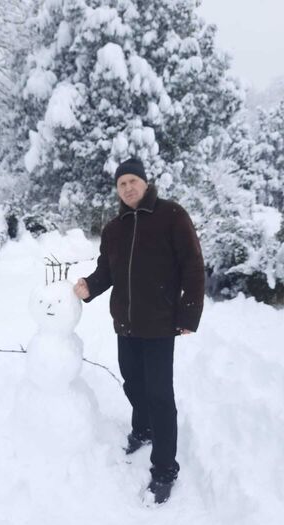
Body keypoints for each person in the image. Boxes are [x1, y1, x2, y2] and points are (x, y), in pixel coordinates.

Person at [74, 157, 204, 504]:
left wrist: (189, 314)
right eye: (122, 183)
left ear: (145, 182)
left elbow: (193, 265)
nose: (128, 187)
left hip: (160, 324)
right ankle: (143, 428)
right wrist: (89, 286)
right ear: (117, 190)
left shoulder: (171, 215)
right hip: (126, 324)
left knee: (159, 394)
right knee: (133, 382)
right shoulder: (114, 228)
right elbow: (107, 270)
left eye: (133, 180)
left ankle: (164, 469)